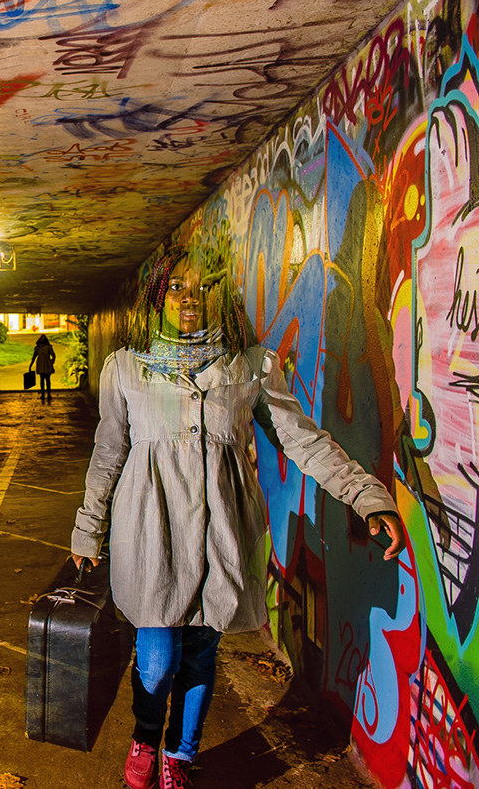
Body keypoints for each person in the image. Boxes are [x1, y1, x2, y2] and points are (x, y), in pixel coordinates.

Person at [69, 245, 406, 789]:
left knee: (202, 657)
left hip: (224, 539)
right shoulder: (126, 369)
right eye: (177, 286)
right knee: (156, 662)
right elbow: (108, 453)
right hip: (151, 538)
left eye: (204, 287)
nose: (190, 298)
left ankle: (180, 756)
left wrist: (366, 496)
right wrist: (89, 529)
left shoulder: (251, 367)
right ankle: (144, 736)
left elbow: (304, 441)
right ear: (157, 294)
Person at [29, 334, 56, 402]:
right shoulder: (37, 348)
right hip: (40, 365)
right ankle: (43, 394)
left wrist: (51, 362)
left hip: (47, 365)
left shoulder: (48, 347)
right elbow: (34, 357)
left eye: (43, 339)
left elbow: (53, 355)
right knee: (42, 380)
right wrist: (30, 365)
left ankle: (49, 394)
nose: (42, 340)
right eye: (41, 339)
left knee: (48, 380)